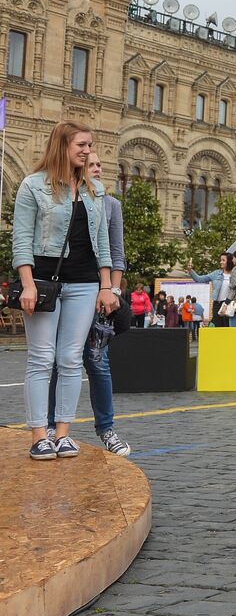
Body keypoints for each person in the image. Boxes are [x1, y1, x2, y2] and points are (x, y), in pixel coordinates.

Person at [14, 121, 119, 461]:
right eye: (82, 145)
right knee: (42, 358)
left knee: (71, 359)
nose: (88, 151)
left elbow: (102, 242)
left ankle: (62, 433)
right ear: (63, 146)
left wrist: (107, 286)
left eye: (90, 145)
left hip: (86, 283)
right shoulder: (33, 186)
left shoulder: (94, 190)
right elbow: (22, 240)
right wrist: (27, 284)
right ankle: (38, 435)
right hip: (45, 283)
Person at [44, 148, 131, 457]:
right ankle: (53, 425)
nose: (95, 169)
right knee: (58, 359)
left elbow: (117, 253)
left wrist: (113, 292)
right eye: (90, 164)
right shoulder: (59, 196)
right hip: (65, 288)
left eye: (98, 164)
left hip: (98, 293)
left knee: (97, 362)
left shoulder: (110, 205)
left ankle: (106, 430)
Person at [190, 253, 234, 327]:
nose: (221, 262)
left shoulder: (235, 275)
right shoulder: (216, 273)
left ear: (229, 261)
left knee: (227, 326)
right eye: (220, 260)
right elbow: (199, 279)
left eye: (223, 260)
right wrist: (191, 271)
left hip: (228, 304)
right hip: (217, 303)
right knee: (217, 326)